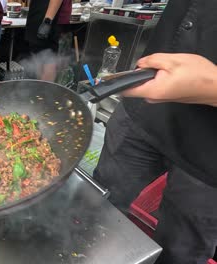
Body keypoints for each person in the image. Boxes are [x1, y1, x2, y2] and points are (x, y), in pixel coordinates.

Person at [93, 0, 217, 263]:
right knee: (97, 208)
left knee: (180, 252)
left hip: (210, 152)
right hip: (141, 114)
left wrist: (211, 85)